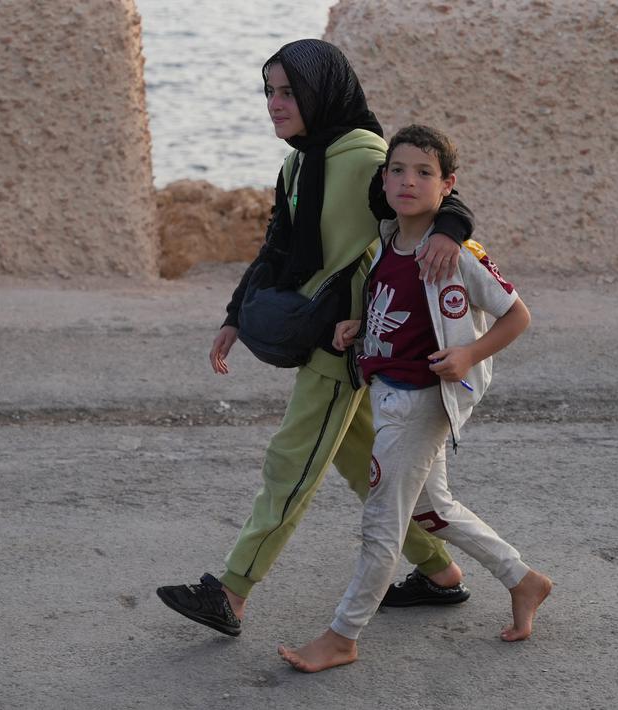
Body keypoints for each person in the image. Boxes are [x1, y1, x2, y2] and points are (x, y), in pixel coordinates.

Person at [155, 40, 479, 637]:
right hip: (325, 334)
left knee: (292, 460)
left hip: (348, 345)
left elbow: (436, 198)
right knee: (362, 466)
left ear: (320, 91)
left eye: (289, 92)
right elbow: (277, 246)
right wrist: (234, 316)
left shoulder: (363, 156)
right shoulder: (300, 159)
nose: (277, 104)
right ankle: (440, 573)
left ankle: (232, 591)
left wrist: (452, 231)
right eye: (270, 92)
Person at [277, 125, 553, 673]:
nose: (408, 181)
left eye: (424, 172)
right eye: (398, 170)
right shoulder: (387, 241)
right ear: (384, 178)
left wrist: (470, 354)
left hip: (421, 401)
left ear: (447, 186)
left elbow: (517, 314)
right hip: (387, 393)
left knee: (383, 524)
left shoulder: (456, 253)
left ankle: (342, 636)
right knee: (431, 509)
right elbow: (398, 307)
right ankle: (523, 579)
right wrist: (360, 326)